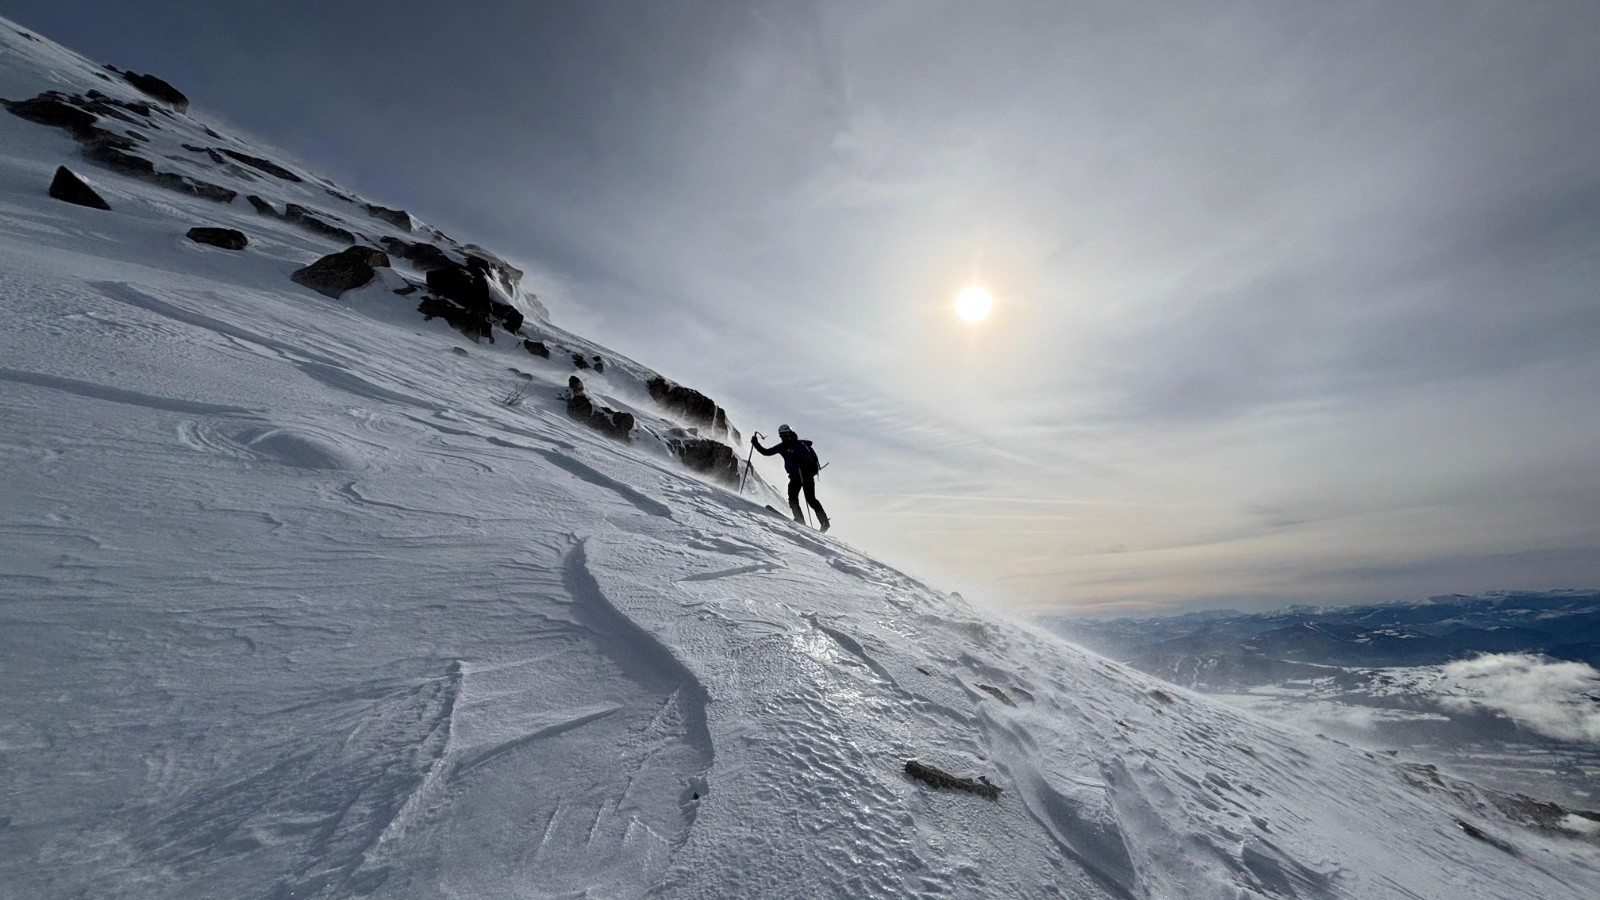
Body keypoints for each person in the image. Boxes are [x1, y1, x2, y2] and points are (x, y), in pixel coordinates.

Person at [753, 424, 829, 532]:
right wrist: (756, 444)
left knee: (810, 499)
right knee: (792, 498)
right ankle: (800, 519)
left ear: (790, 433)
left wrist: (800, 461)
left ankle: (824, 522)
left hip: (806, 475)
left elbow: (807, 458)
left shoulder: (798, 444)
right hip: (794, 477)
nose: (785, 437)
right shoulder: (782, 446)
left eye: (786, 435)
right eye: (782, 436)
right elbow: (767, 452)